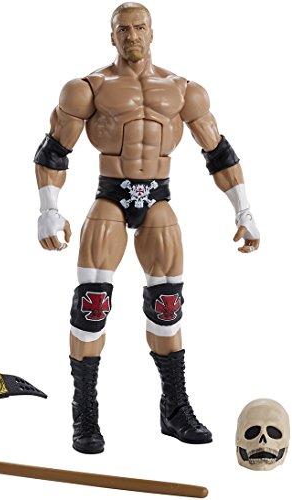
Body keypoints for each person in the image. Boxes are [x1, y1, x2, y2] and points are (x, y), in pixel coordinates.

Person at [34, 2, 260, 454]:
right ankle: (85, 414)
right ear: (112, 36)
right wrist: (49, 208)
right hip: (110, 197)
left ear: (152, 32)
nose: (132, 35)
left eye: (139, 27)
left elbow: (217, 151)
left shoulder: (184, 91)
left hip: (158, 199)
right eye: (123, 29)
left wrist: (244, 210)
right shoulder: (88, 89)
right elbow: (54, 150)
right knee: (92, 305)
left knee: (167, 305)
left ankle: (174, 408)